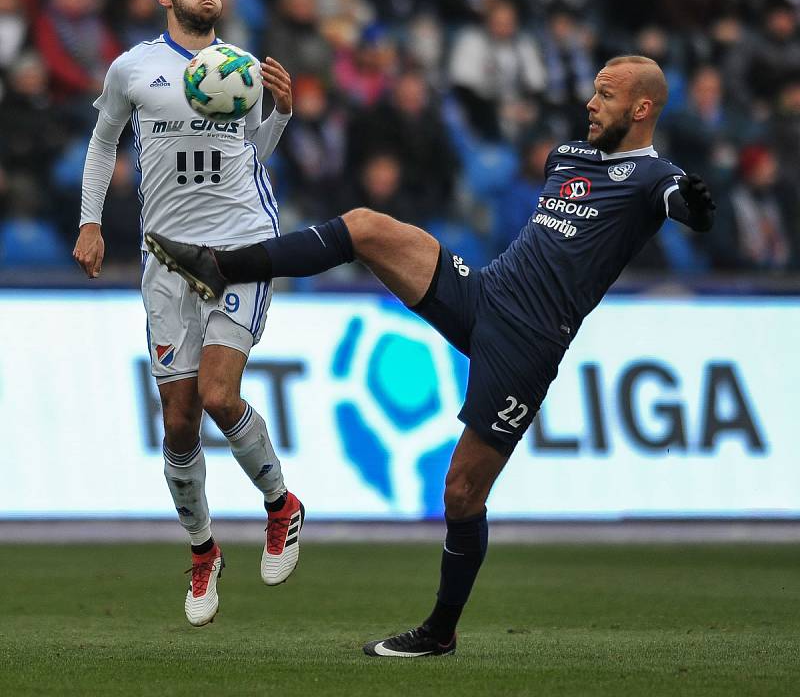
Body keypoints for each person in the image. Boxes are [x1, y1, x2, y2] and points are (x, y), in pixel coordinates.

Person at [144, 56, 716, 655]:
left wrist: (694, 207)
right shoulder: (566, 158)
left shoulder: (655, 180)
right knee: (366, 227)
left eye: (605, 95)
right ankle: (219, 266)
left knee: (461, 494)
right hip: (485, 293)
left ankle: (439, 632)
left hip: (528, 346)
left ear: (642, 109)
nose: (591, 104)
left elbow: (683, 206)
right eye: (594, 92)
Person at [72, 0, 304, 628]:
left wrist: (281, 114)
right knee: (178, 423)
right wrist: (91, 221)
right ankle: (203, 550)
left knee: (215, 393)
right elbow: (102, 139)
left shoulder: (240, 68)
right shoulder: (132, 70)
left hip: (241, 246)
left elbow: (250, 160)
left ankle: (280, 505)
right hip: (165, 257)